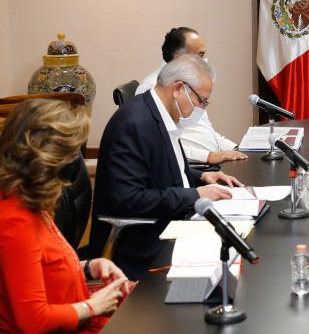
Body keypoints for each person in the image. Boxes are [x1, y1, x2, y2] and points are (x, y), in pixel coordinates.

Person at [89, 54, 244, 280]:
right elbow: (129, 199)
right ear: (179, 88)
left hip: (169, 221)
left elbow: (163, 168)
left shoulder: (159, 113)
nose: (201, 109)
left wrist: (201, 177)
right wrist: (194, 195)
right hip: (142, 241)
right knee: (224, 263)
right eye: (201, 101)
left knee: (231, 244)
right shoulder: (134, 125)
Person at [0, 99, 132, 333]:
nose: (74, 159)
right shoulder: (14, 219)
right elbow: (34, 321)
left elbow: (41, 268)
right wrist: (93, 306)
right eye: (69, 152)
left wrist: (90, 267)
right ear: (43, 156)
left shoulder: (29, 197)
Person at [136, 27, 247, 164]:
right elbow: (163, 146)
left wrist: (236, 148)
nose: (205, 60)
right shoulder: (153, 89)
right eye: (200, 55)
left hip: (215, 161)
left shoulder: (192, 83)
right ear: (179, 57)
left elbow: (206, 130)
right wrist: (208, 157)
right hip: (194, 166)